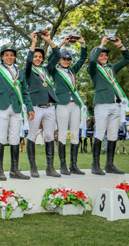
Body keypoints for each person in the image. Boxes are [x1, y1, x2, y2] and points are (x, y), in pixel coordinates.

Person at [0, 31, 34, 181]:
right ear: (2, 56)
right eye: (6, 55)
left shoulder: (20, 71)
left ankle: (14, 170)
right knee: (1, 136)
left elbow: (25, 91)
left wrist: (30, 107)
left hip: (17, 107)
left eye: (11, 54)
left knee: (14, 138)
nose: (9, 57)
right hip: (2, 106)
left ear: (14, 56)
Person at [87, 35, 129, 175]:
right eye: (101, 55)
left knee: (113, 135)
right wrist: (102, 43)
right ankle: (95, 165)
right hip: (102, 104)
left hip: (115, 105)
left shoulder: (111, 68)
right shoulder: (93, 69)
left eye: (105, 55)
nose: (104, 57)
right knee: (99, 133)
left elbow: (127, 59)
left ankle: (110, 165)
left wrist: (120, 45)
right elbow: (92, 60)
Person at [48, 35, 87, 175]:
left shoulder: (72, 71)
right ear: (59, 59)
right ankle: (63, 165)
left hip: (75, 104)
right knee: (63, 134)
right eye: (63, 58)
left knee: (76, 134)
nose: (66, 61)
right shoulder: (54, 70)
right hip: (62, 104)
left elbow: (83, 59)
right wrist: (62, 42)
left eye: (68, 59)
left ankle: (74, 165)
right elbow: (50, 59)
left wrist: (82, 43)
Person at [25, 31, 61, 178]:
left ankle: (50, 167)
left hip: (49, 107)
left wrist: (49, 41)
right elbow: (28, 61)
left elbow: (57, 55)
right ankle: (33, 167)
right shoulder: (27, 71)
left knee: (49, 136)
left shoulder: (46, 70)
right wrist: (33, 43)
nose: (38, 58)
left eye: (40, 57)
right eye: (35, 56)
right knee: (32, 136)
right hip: (35, 107)